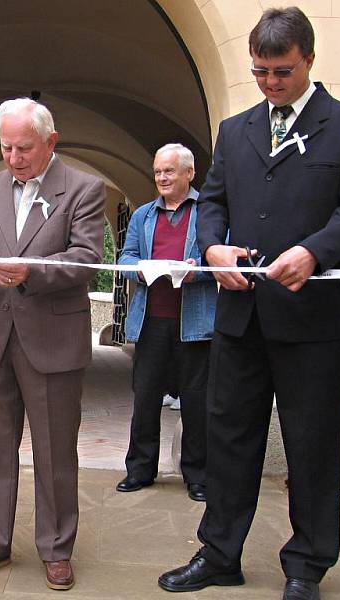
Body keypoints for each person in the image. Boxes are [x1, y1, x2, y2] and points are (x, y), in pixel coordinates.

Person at [158, 7, 340, 599]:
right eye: (259, 72)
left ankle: (307, 566)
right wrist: (212, 249)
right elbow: (213, 202)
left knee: (311, 445)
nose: (269, 83)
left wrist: (313, 252)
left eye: (280, 71)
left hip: (311, 319)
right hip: (241, 313)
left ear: (307, 58)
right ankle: (219, 553)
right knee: (230, 437)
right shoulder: (235, 130)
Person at [0, 97, 104, 591]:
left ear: (50, 141)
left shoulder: (83, 188)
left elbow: (86, 258)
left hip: (52, 338)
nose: (14, 157)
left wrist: (31, 272)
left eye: (24, 148)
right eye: (6, 147)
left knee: (56, 450)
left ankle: (56, 548)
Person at [117, 143, 216, 502]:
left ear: (189, 173)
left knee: (197, 401)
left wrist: (196, 273)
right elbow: (126, 256)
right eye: (158, 171)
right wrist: (140, 269)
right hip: (151, 321)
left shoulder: (208, 212)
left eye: (169, 171)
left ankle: (198, 476)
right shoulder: (143, 215)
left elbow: (222, 258)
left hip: (195, 322)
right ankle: (140, 470)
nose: (161, 177)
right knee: (145, 399)